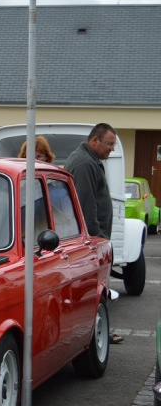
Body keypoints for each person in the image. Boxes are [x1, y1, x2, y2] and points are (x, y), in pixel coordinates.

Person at [64, 122, 122, 343]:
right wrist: (97, 242)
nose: (112, 149)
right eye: (109, 144)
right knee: (95, 292)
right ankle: (96, 336)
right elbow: (86, 207)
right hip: (92, 241)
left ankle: (100, 332)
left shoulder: (90, 161)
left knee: (98, 292)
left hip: (95, 240)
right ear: (95, 141)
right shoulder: (84, 163)